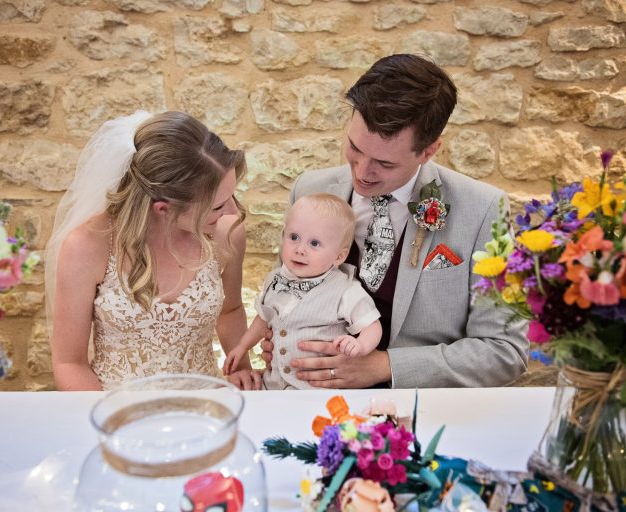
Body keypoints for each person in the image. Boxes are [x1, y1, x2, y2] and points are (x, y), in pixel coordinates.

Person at [230, 54, 528, 390]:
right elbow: (286, 295)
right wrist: (277, 340)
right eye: (355, 148)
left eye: (384, 164)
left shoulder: (483, 209)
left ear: (428, 152)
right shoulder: (309, 189)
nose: (362, 172)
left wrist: (386, 366)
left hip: (419, 416)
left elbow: (506, 352)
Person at [45, 111, 250, 390]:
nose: (233, 211)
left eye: (231, 197)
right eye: (216, 206)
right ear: (163, 209)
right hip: (119, 411)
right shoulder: (87, 246)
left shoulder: (228, 232)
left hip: (205, 406)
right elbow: (69, 363)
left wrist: (241, 368)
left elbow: (231, 310)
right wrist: (114, 423)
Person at [222, 194, 382, 389]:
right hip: (273, 384)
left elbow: (372, 325)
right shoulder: (275, 279)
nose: (299, 249)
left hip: (318, 389)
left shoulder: (345, 289)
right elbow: (263, 318)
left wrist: (360, 346)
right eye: (294, 237)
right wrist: (243, 346)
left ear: (339, 256)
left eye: (314, 244)